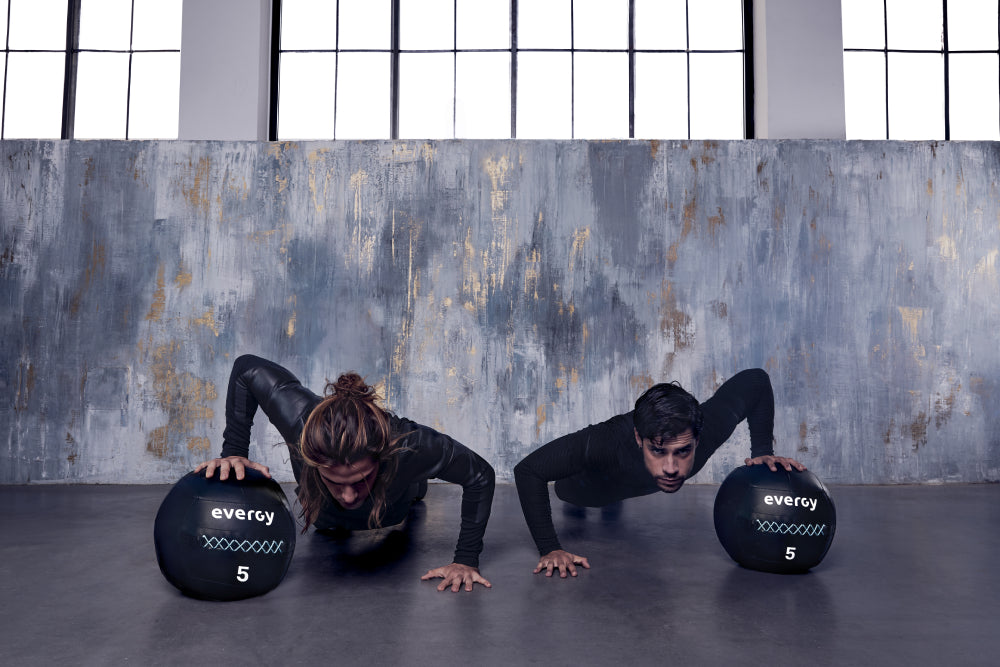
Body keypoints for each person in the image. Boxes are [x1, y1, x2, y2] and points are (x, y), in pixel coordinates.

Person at [195, 354, 495, 593]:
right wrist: (234, 453)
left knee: (414, 483)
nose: (349, 496)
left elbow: (480, 475)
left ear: (380, 457)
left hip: (392, 510)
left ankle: (413, 484)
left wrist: (465, 560)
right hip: (325, 519)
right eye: (336, 482)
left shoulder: (409, 445)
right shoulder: (299, 420)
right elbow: (247, 367)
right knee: (331, 517)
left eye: (359, 481)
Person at [513, 368, 804, 579]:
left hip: (629, 482)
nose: (671, 468)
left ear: (697, 440)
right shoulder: (606, 441)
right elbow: (528, 470)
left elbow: (756, 380)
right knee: (572, 494)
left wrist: (762, 451)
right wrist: (549, 548)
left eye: (682, 452)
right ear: (639, 439)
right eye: (658, 451)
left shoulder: (708, 426)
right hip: (585, 489)